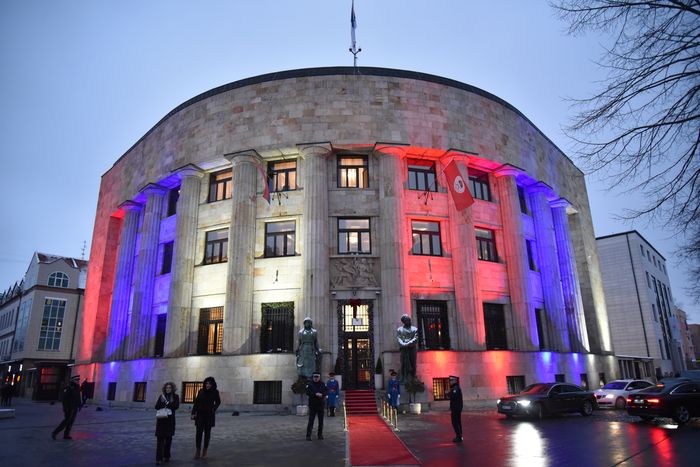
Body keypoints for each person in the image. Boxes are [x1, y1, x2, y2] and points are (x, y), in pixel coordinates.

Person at [191, 376, 221, 459]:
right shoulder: (201, 391)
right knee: (198, 434)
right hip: (200, 415)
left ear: (212, 384)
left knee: (207, 434)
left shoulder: (215, 392)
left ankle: (204, 452)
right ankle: (197, 451)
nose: (208, 385)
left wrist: (213, 409)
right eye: (206, 383)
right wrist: (193, 413)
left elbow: (218, 401)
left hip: (209, 416)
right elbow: (196, 403)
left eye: (209, 384)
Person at [155, 381, 180, 465]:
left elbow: (176, 406)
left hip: (170, 421)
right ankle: (158, 458)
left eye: (169, 388)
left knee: (168, 440)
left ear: (172, 389)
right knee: (160, 440)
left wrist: (168, 403)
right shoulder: (162, 396)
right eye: (167, 388)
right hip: (161, 420)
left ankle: (166, 456)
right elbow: (156, 406)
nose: (168, 389)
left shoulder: (176, 396)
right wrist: (163, 403)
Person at [52, 375, 81, 440]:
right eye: (76, 380)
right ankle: (55, 432)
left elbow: (78, 396)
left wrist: (79, 405)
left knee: (71, 421)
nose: (78, 381)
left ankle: (66, 435)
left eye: (78, 380)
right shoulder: (68, 387)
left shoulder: (77, 387)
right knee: (66, 421)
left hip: (75, 406)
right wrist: (65, 407)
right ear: (73, 380)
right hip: (69, 407)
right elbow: (64, 399)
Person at [305, 372, 328, 440]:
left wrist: (322, 394)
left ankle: (320, 435)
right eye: (314, 377)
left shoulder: (323, 384)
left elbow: (326, 391)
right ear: (313, 377)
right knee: (311, 420)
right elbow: (308, 392)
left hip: (320, 404)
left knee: (321, 421)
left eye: (317, 377)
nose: (316, 378)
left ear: (319, 377)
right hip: (313, 405)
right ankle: (308, 435)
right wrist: (315, 394)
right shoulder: (310, 384)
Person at [397, 314, 418, 382]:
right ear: (404, 321)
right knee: (403, 363)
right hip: (403, 349)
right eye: (407, 320)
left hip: (412, 349)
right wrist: (403, 344)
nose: (409, 321)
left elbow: (415, 338)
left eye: (409, 320)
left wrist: (408, 343)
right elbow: (399, 339)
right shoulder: (399, 330)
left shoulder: (414, 329)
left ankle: (413, 377)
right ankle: (403, 376)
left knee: (413, 363)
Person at [447, 375, 463, 443]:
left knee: (455, 422)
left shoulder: (456, 388)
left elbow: (452, 396)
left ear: (455, 381)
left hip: (456, 408)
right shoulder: (454, 388)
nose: (450, 382)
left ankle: (459, 437)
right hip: (456, 408)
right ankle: (459, 435)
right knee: (457, 422)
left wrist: (448, 393)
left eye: (451, 380)